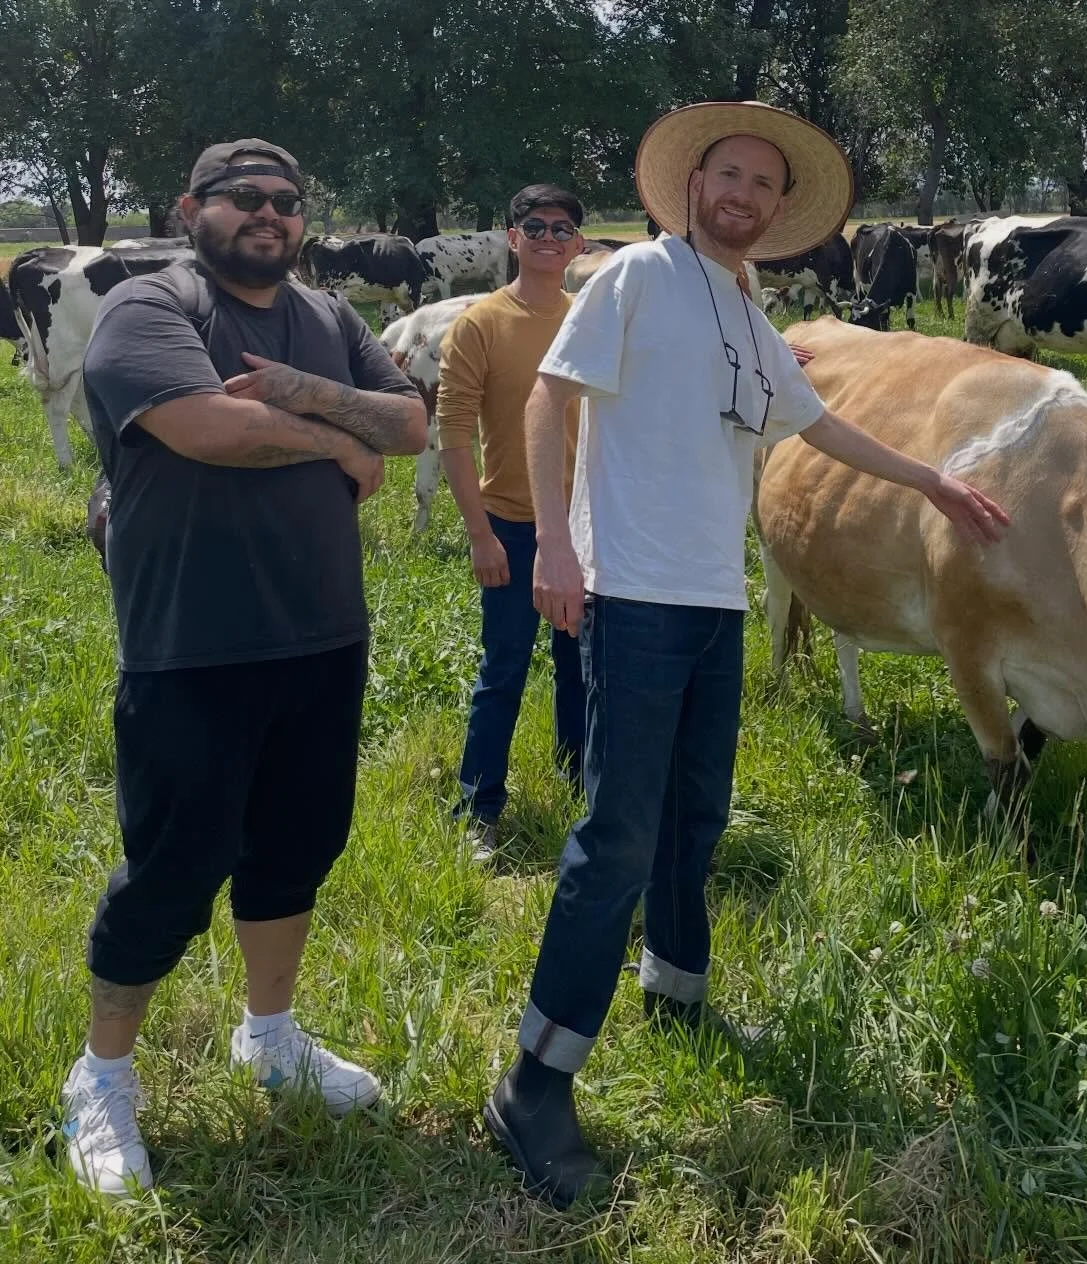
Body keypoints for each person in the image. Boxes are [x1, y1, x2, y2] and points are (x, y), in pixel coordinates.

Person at [483, 102, 1011, 1205]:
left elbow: (815, 421)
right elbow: (550, 396)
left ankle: (677, 989)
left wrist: (932, 479)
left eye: (766, 185)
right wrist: (559, 546)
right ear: (693, 185)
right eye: (730, 174)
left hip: (713, 599)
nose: (745, 195)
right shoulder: (639, 276)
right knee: (617, 838)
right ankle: (535, 1080)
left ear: (778, 211)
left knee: (697, 814)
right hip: (632, 591)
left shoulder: (743, 303)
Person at [63, 139, 429, 1196]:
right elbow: (204, 426)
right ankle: (102, 1077)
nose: (269, 213)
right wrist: (337, 437)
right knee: (174, 867)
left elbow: (410, 421)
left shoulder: (328, 317)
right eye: (244, 197)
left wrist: (305, 393)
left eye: (286, 200)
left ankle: (269, 1035)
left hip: (323, 633)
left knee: (297, 847)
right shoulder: (152, 307)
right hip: (191, 641)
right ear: (193, 209)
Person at [436, 183, 589, 856]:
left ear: (578, 244)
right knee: (502, 670)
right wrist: (480, 535)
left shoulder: (590, 319)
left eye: (562, 228)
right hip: (513, 528)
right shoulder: (481, 323)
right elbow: (453, 436)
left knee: (582, 667)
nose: (549, 238)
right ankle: (480, 809)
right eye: (536, 226)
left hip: (584, 527)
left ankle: (580, 785)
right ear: (512, 237)